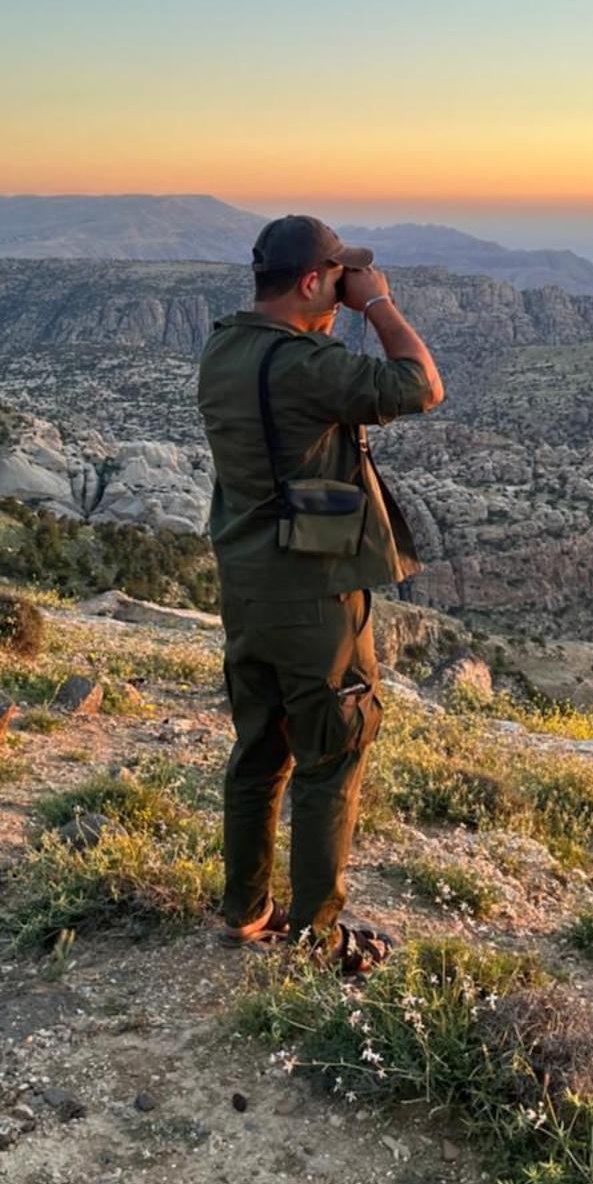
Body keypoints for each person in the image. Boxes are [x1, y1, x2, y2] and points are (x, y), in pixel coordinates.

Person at [196, 215, 444, 975]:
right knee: (333, 754)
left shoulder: (225, 346)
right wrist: (377, 305)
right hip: (314, 591)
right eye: (336, 280)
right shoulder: (304, 362)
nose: (342, 295)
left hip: (247, 585)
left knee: (259, 750)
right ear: (312, 281)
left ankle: (246, 913)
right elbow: (420, 386)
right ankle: (317, 936)